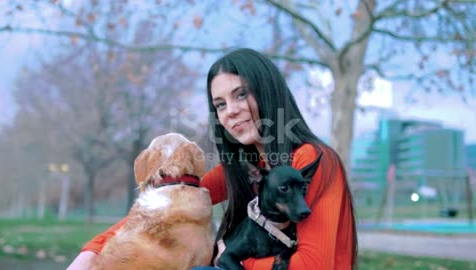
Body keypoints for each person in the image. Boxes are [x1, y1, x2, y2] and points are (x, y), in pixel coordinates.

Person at [66, 48, 357, 270]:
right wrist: (90, 252)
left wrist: (235, 261)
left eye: (240, 94)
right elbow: (167, 205)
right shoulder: (245, 168)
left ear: (267, 91)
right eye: (220, 104)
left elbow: (314, 264)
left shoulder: (312, 160)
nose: (230, 111)